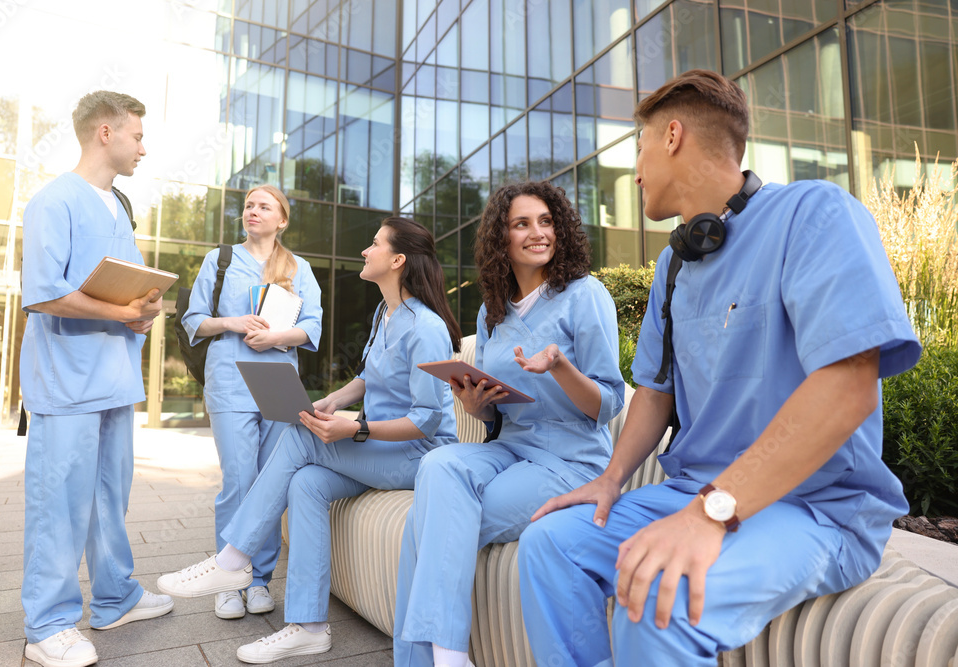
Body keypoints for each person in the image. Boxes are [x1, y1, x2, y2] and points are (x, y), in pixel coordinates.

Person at [517, 69, 923, 666]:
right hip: (687, 491)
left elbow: (848, 392)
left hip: (813, 508)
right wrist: (610, 479)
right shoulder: (671, 267)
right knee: (550, 545)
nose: (634, 170)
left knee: (662, 597)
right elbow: (653, 394)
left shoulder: (815, 213)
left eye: (639, 147)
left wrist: (711, 511)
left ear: (673, 135)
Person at [158, 216, 463, 662]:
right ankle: (309, 626)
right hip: (382, 448)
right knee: (306, 484)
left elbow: (427, 421)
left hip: (418, 454)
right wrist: (332, 402)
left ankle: (233, 559)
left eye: (374, 244)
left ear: (397, 260)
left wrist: (354, 427)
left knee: (300, 441)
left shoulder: (427, 327)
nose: (364, 250)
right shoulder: (385, 312)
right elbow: (367, 378)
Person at [393, 181, 626, 667]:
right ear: (502, 238)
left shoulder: (585, 295)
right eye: (522, 224)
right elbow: (498, 414)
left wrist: (560, 365)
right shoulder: (491, 310)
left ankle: (439, 658)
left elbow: (608, 404)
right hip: (510, 449)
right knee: (439, 464)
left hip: (570, 461)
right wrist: (477, 406)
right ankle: (447, 655)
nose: (537, 233)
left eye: (546, 222)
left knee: (424, 523)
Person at [20, 91, 174, 667]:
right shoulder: (53, 202)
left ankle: (115, 598)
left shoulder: (120, 206)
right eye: (137, 135)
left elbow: (123, 287)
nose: (143, 147)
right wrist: (121, 314)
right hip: (67, 382)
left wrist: (145, 308)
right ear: (104, 133)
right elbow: (43, 294)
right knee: (59, 502)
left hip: (113, 377)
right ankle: (47, 626)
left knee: (110, 497)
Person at [180, 184, 323, 620]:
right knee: (239, 480)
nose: (253, 211)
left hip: (279, 382)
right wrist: (232, 322)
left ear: (281, 219)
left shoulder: (298, 267)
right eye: (248, 206)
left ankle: (258, 579)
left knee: (270, 482)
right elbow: (193, 320)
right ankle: (229, 580)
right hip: (230, 380)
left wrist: (278, 336)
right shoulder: (219, 260)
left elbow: (313, 325)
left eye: (264, 206)